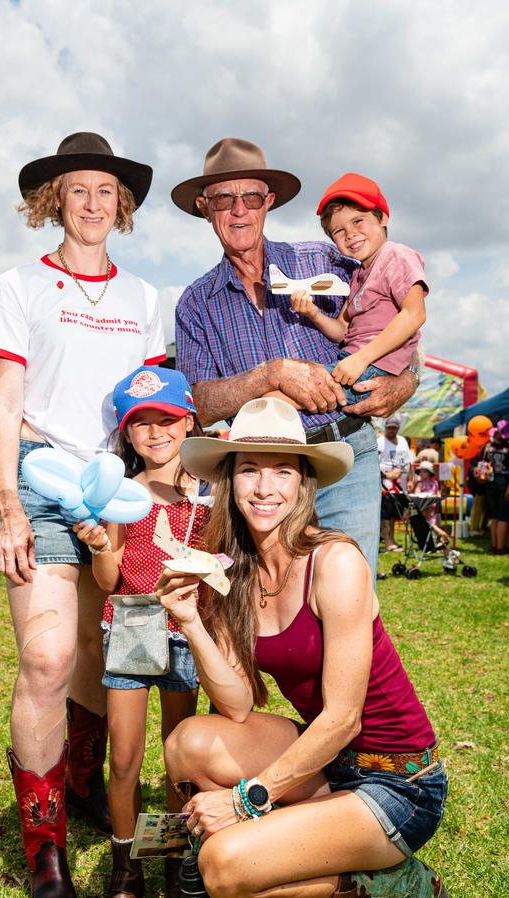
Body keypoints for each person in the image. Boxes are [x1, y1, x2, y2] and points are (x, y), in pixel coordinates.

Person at [157, 397, 448, 898]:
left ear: (305, 482)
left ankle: (398, 887)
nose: (265, 487)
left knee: (223, 871)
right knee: (185, 742)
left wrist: (247, 800)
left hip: (398, 780)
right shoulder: (236, 573)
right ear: (231, 479)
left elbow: (343, 719)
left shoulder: (335, 562)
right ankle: (281, 869)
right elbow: (237, 702)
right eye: (250, 469)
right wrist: (192, 622)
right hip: (330, 762)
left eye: (283, 469)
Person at [0, 131, 164, 898]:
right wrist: (11, 506)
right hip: (46, 482)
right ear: (54, 200)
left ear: (122, 205)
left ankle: (85, 781)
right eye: (78, 190)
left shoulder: (145, 299)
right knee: (50, 658)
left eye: (106, 192)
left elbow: (154, 410)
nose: (93, 204)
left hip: (120, 490)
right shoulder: (20, 285)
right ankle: (46, 853)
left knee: (104, 658)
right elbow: (4, 400)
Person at [172, 139, 420, 580]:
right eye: (224, 199)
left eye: (250, 197)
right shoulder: (196, 303)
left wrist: (407, 380)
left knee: (351, 597)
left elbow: (400, 312)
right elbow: (198, 404)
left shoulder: (323, 258)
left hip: (346, 454)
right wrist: (271, 375)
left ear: (268, 203)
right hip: (262, 479)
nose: (239, 211)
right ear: (204, 207)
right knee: (271, 610)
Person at [75, 366, 205, 898]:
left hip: (184, 633)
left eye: (167, 420)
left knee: (179, 759)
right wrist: (103, 543)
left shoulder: (208, 491)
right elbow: (107, 580)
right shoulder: (120, 495)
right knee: (124, 759)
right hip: (129, 624)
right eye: (140, 424)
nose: (155, 433)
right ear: (125, 435)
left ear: (189, 422)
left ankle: (177, 862)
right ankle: (126, 869)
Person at [291, 173, 427, 390]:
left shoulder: (396, 255)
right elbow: (343, 330)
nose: (351, 234)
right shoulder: (358, 275)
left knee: (292, 391)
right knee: (289, 388)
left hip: (373, 364)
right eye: (339, 231)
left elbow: (415, 313)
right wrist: (312, 313)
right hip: (354, 361)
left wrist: (361, 358)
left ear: (382, 218)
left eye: (358, 221)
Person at [378, 415, 412, 552]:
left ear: (398, 428)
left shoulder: (403, 440)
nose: (391, 430)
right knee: (386, 515)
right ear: (385, 427)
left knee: (394, 516)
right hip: (386, 485)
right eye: (389, 428)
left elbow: (408, 461)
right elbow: (374, 464)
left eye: (394, 428)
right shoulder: (380, 442)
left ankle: (391, 540)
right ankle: (388, 542)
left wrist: (410, 480)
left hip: (400, 486)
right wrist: (385, 477)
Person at [481, 425, 509, 555]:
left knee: (493, 516)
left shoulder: (487, 447)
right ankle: (501, 547)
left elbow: (482, 463)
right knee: (503, 517)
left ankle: (494, 545)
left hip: (490, 483)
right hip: (504, 482)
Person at [414, 461, 450, 549]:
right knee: (427, 521)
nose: (421, 473)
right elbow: (416, 495)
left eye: (424, 471)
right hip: (423, 507)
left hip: (432, 508)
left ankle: (438, 539)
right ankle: (443, 535)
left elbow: (437, 494)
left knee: (431, 522)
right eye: (420, 471)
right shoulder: (420, 483)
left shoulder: (435, 483)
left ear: (429, 473)